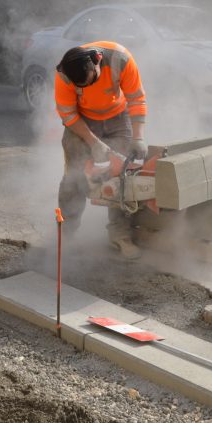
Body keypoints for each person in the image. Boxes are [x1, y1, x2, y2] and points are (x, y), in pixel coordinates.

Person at [54, 40, 148, 259]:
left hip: (118, 117)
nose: (87, 89)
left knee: (122, 178)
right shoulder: (64, 74)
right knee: (74, 176)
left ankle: (120, 235)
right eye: (81, 88)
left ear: (97, 61)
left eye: (91, 81)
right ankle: (66, 235)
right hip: (81, 121)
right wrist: (93, 142)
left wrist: (138, 137)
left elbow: (136, 99)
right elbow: (68, 115)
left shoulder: (120, 60)